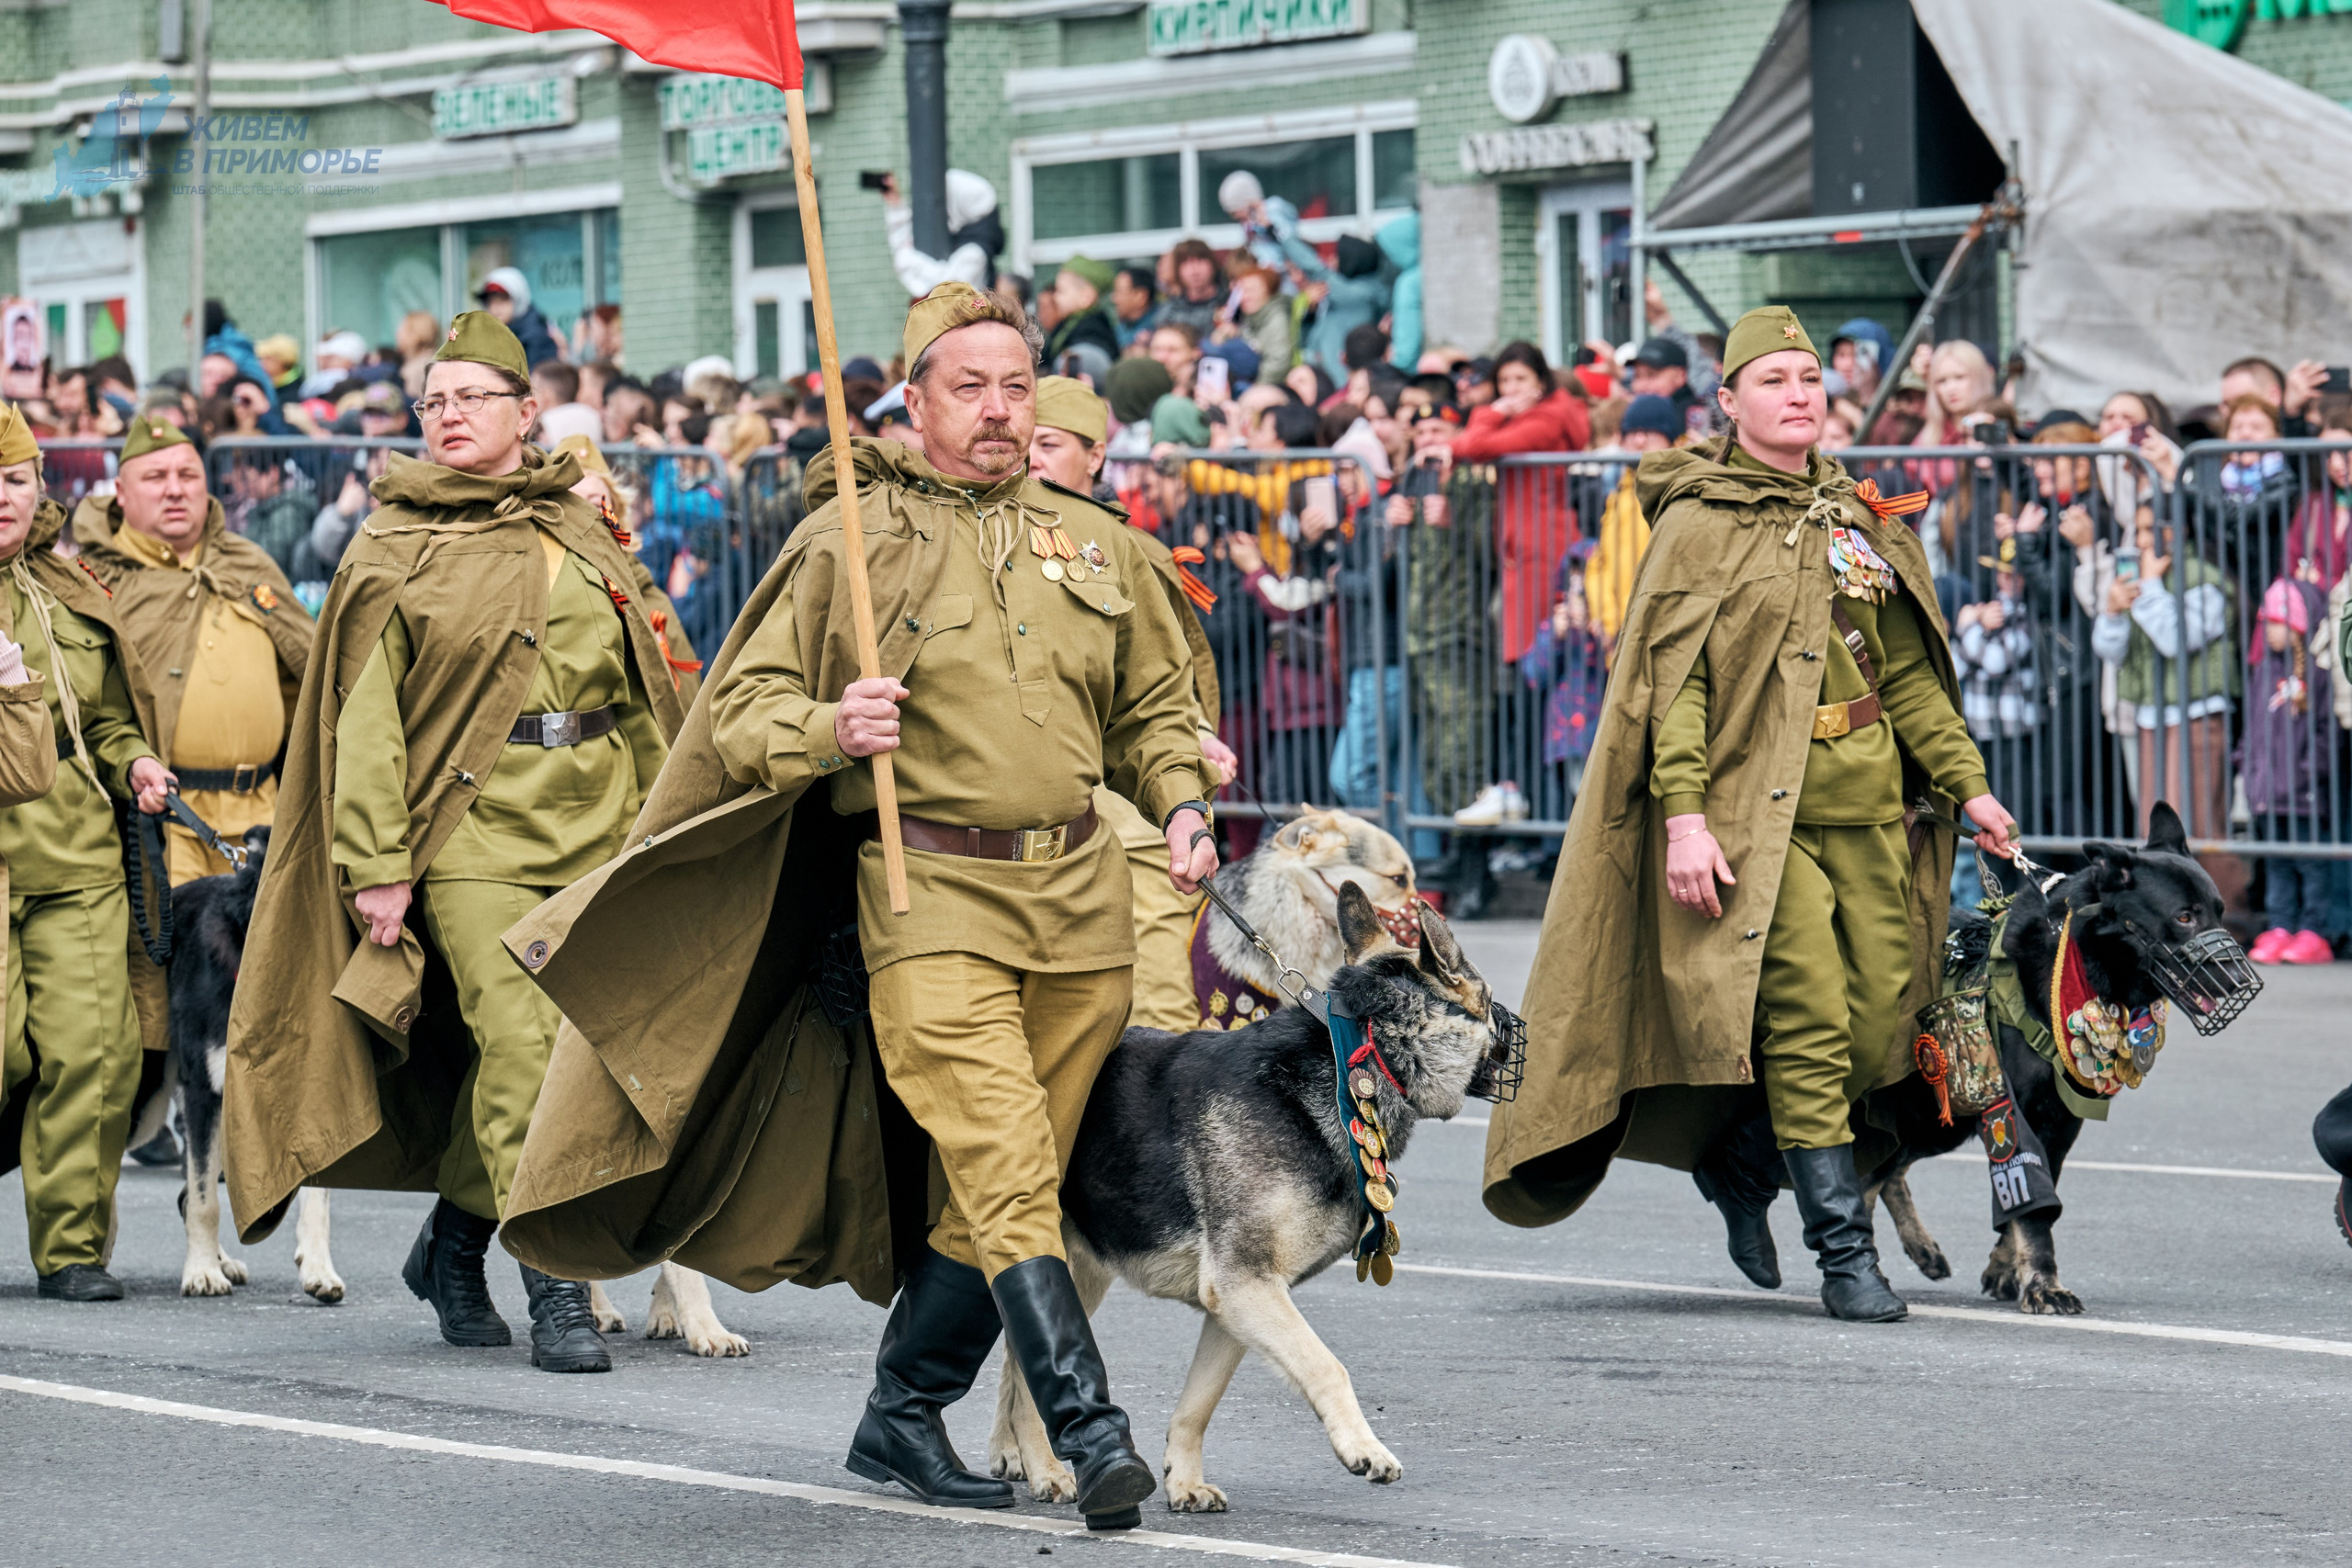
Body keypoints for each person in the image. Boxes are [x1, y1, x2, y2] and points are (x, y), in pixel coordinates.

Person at [490, 282, 1214, 1532]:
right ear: (914, 398)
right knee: (997, 1148)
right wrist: (834, 723)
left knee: (1006, 1172)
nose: (998, 409)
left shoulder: (1097, 544)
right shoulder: (850, 541)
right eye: (968, 387)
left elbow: (1152, 707)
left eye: (1013, 386)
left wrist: (1187, 803)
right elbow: (743, 710)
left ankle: (902, 1406)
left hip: (1080, 899)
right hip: (925, 887)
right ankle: (1090, 1422)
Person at [1484, 309, 2014, 1325]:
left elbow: (1907, 678)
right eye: (1773, 379)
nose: (1800, 394)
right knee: (1810, 1018)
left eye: (1810, 377)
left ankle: (1738, 1155)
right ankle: (1843, 1253)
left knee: (1880, 1024)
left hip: (1868, 806)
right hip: (1749, 819)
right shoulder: (1700, 518)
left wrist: (1967, 784)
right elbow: (1671, 686)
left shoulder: (1864, 514)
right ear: (1727, 402)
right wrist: (1683, 818)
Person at [221, 312, 686, 1373]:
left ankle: (455, 1237)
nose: (447, 417)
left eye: (471, 398)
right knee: (524, 1043)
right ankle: (556, 1282)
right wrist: (376, 867)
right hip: (470, 829)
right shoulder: (394, 541)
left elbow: (653, 668)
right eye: (432, 402)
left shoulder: (579, 526)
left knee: (595, 1049)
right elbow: (365, 718)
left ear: (528, 414)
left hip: (604, 815)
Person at [0, 399, 175, 1301]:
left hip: (74, 852)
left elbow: (105, 717)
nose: (2, 496)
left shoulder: (69, 591)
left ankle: (71, 1247)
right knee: (6, 1054)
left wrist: (136, 759)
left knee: (93, 1050)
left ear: (40, 491)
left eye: (15, 479)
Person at [1029, 376, 1234, 1032]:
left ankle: (1168, 1114)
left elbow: (1160, 667)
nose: (1031, 457)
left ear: (1095, 454)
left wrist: (1195, 733)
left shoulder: (1126, 547)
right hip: (1048, 781)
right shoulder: (1001, 535)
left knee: (1156, 967)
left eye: (1049, 443)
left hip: (1132, 782)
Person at [70, 415, 312, 885]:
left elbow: (308, 671)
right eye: (156, 478)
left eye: (188, 476)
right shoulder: (92, 580)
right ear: (120, 491)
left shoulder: (246, 560)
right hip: (162, 820)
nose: (175, 490)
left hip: (266, 812)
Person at [2091, 510, 2245, 909]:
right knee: (2156, 831)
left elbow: (2175, 639)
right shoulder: (2140, 579)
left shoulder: (2206, 578)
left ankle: (2229, 918)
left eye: (2149, 530)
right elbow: (2111, 651)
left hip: (2196, 714)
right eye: (2137, 529)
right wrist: (2111, 611)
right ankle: (2173, 921)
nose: (2141, 540)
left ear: (2177, 529)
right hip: (2149, 717)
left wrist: (2153, 586)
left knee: (2198, 826)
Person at [1449, 341, 1592, 663]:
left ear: (1540, 383)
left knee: (1535, 654)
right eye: (1504, 380)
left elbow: (1477, 445)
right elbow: (1471, 443)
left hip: (1541, 545)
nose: (1510, 389)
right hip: (1527, 543)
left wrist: (1494, 411)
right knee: (1528, 650)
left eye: (1520, 379)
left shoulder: (1547, 419)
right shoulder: (1533, 416)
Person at [2242, 578, 2335, 964]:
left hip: (2303, 791)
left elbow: (2328, 733)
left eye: (2277, 621)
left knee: (2311, 864)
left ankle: (2314, 929)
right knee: (2276, 861)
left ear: (2297, 624)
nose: (2270, 630)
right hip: (2267, 791)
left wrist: (2307, 769)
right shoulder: (2263, 672)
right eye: (2267, 621)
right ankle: (2280, 925)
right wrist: (2245, 765)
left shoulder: (2318, 673)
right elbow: (2251, 728)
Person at [881, 169, 1003, 298]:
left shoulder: (974, 253)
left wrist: (905, 256)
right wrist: (895, 203)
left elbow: (944, 288)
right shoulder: (959, 241)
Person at [1043, 257, 1121, 384]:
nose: (1055, 298)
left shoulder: (1093, 329)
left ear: (1086, 297)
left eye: (1061, 291)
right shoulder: (1067, 324)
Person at [478, 267, 565, 371]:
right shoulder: (493, 333)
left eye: (503, 300)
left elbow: (541, 384)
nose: (495, 308)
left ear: (519, 300)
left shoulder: (537, 336)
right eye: (490, 302)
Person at [1155, 239, 1226, 340]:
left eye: (1200, 261)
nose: (1194, 271)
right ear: (1177, 270)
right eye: (1186, 263)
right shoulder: (1169, 312)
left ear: (1213, 265)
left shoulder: (1231, 304)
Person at [1627, 336, 1701, 433]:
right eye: (1637, 376)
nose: (1641, 385)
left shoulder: (1693, 417)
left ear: (1680, 376)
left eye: (1652, 375)